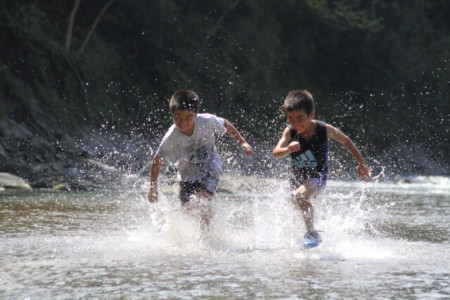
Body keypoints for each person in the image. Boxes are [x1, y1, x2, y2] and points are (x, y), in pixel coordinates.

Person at [273, 90, 372, 248]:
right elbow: (276, 152)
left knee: (300, 197)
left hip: (317, 176)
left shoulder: (323, 129)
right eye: (290, 118)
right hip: (296, 178)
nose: (295, 123)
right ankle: (299, 239)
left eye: (300, 118)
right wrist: (288, 150)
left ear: (311, 114)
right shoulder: (289, 132)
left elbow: (346, 141)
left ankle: (312, 234)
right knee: (296, 203)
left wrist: (360, 163)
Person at [148, 89, 254, 228]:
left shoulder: (207, 121)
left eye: (188, 117)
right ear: (172, 115)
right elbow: (157, 159)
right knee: (186, 209)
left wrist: (243, 142)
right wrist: (152, 186)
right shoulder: (171, 136)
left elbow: (225, 124)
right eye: (178, 116)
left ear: (196, 114)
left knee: (203, 200)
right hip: (187, 174)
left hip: (210, 168)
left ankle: (206, 236)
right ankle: (189, 238)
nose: (183, 122)